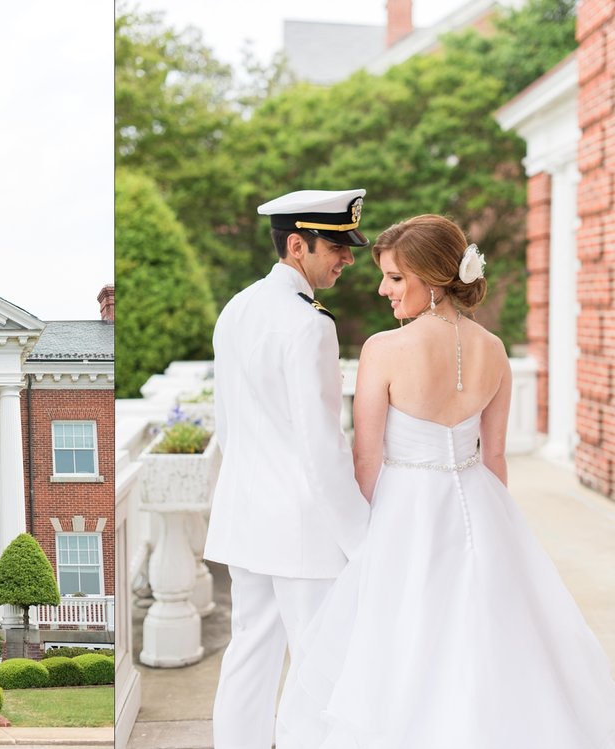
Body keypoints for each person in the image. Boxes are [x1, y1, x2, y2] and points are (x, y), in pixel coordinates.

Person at [276, 214, 615, 748]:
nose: (383, 289)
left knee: (405, 642)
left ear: (431, 280)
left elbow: (366, 459)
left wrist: (359, 541)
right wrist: (502, 531)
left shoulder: (383, 350)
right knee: (490, 636)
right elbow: (495, 454)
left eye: (393, 277)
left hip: (405, 508)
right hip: (479, 500)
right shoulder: (496, 349)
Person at [204, 188, 372, 749]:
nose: (347, 257)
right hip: (301, 524)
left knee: (249, 652)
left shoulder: (236, 308)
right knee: (318, 662)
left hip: (247, 514)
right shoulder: (309, 325)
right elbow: (322, 448)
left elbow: (225, 425)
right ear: (298, 245)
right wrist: (362, 539)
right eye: (337, 247)